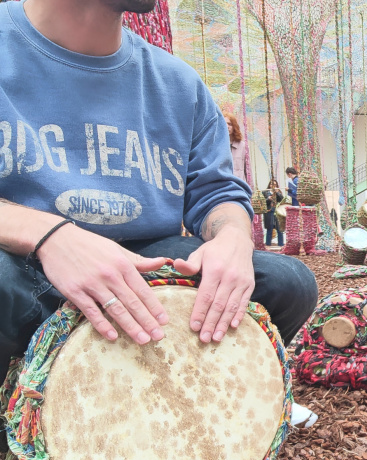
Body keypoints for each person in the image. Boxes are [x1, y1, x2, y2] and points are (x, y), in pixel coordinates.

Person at [0, 0, 319, 426]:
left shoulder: (178, 83)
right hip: (23, 268)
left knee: (287, 283)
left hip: (147, 270)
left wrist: (233, 239)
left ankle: (199, 399)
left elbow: (218, 193)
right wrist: (51, 236)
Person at [223, 111, 245, 180]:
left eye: (230, 124)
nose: (227, 126)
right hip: (224, 185)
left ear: (234, 126)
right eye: (224, 124)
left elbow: (248, 170)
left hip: (239, 185)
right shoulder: (217, 146)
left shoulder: (242, 146)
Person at [263, 180, 284, 247]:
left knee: (279, 228)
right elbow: (262, 203)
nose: (273, 186)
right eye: (272, 184)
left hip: (277, 212)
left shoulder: (278, 192)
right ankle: (268, 244)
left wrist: (277, 192)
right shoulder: (265, 192)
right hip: (269, 211)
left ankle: (281, 244)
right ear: (269, 185)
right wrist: (268, 199)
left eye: (275, 184)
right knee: (269, 228)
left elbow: (282, 200)